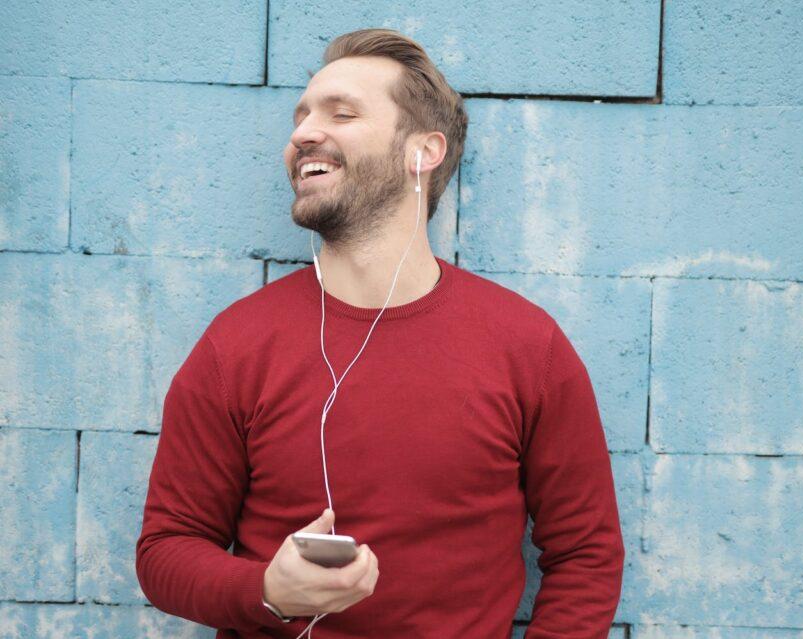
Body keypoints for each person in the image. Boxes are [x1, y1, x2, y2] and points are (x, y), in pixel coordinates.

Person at [135, 27, 625, 639]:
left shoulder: (527, 347)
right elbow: (166, 547)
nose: (303, 133)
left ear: (423, 151)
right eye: (302, 115)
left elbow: (586, 554)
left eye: (342, 113)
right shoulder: (235, 346)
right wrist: (265, 591)